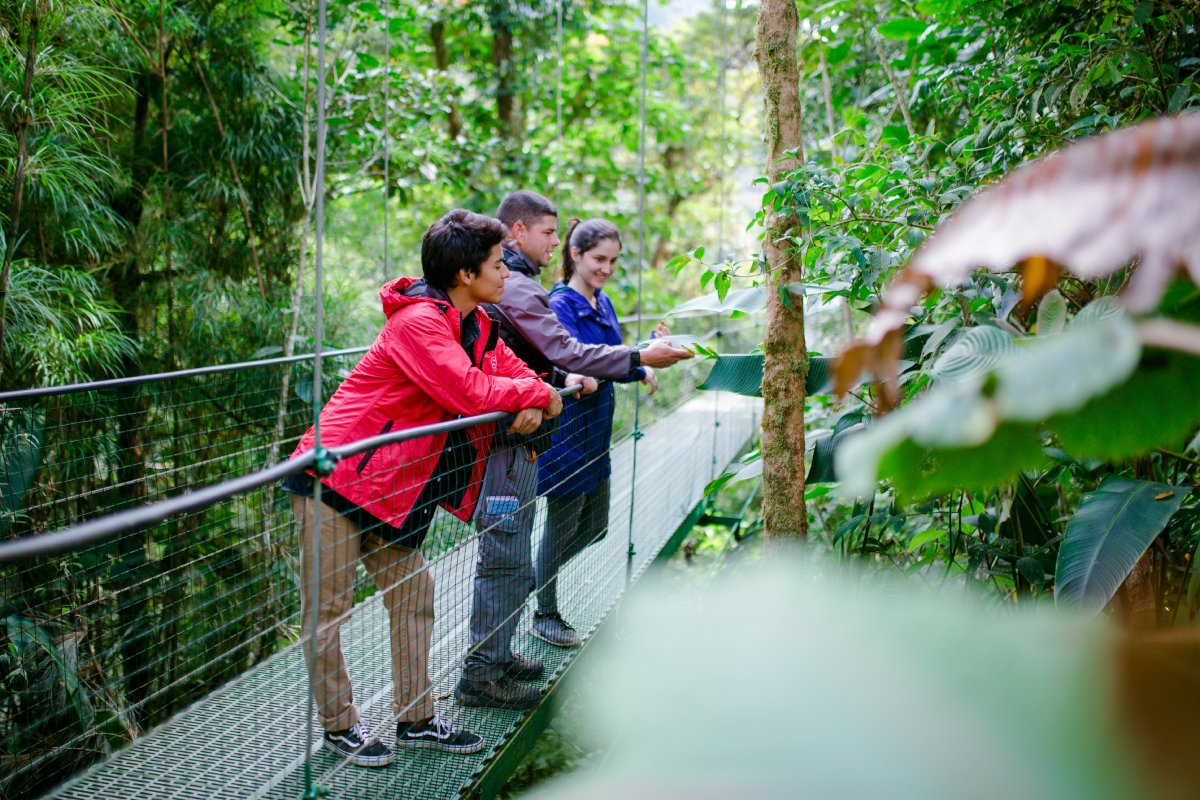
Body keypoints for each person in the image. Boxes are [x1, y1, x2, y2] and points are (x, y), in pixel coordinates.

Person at [285, 208, 563, 767]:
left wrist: (540, 393)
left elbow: (514, 375)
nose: (505, 272)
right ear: (465, 274)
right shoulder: (417, 323)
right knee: (329, 608)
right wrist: (536, 398)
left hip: (393, 486)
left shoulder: (478, 324)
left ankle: (415, 718)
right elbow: (468, 392)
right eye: (495, 264)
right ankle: (340, 725)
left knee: (415, 594)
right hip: (335, 476)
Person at [455, 191, 692, 711]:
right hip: (520, 440)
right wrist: (635, 357)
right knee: (506, 557)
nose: (554, 244)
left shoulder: (520, 285)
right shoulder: (517, 288)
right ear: (516, 233)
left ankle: (497, 657)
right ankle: (484, 670)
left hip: (538, 435)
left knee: (515, 556)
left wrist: (561, 378)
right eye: (547, 233)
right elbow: (561, 349)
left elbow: (531, 359)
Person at [535, 217, 664, 647]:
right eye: (598, 259)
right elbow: (576, 361)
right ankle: (542, 610)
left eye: (613, 261)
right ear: (575, 254)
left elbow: (612, 361)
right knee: (561, 527)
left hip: (597, 435)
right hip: (566, 435)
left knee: (596, 527)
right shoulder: (560, 304)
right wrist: (633, 359)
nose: (606, 268)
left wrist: (644, 360)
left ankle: (531, 583)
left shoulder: (603, 302)